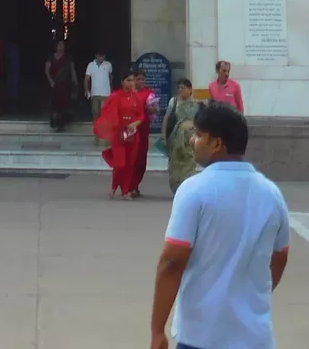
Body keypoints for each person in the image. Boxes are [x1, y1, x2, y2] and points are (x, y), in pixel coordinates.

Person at [151, 100, 289, 349]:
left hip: (201, 337)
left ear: (216, 144)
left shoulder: (194, 190)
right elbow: (280, 257)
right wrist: (252, 296)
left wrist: (157, 330)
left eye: (199, 135)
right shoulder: (272, 193)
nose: (193, 140)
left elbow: (171, 263)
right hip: (255, 338)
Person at [94, 69, 149, 198]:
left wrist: (135, 124)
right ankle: (114, 186)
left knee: (130, 163)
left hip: (132, 134)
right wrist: (116, 125)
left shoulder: (137, 97)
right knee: (120, 164)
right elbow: (106, 111)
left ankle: (125, 191)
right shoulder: (115, 96)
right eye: (128, 80)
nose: (131, 83)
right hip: (119, 134)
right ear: (122, 82)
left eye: (132, 80)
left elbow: (141, 115)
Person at [164, 78, 201, 193]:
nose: (180, 90)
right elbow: (166, 120)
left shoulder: (198, 104)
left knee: (189, 164)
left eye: (183, 87)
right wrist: (164, 137)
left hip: (191, 139)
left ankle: (187, 189)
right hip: (176, 138)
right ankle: (176, 189)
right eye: (179, 88)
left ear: (190, 89)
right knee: (175, 164)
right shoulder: (174, 102)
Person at [46, 39, 77, 132]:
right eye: (59, 45)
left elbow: (72, 71)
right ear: (56, 46)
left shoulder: (68, 58)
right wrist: (51, 81)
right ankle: (55, 123)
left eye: (62, 45)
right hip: (55, 85)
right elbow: (47, 71)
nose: (60, 47)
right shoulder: (51, 58)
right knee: (55, 105)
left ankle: (62, 124)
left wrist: (75, 83)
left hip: (65, 85)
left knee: (65, 105)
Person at [84, 49, 113, 122]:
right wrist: (86, 90)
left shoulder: (108, 64)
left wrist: (111, 90)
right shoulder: (91, 65)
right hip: (94, 93)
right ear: (96, 55)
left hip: (106, 93)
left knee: (104, 113)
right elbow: (86, 79)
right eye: (100, 56)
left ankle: (103, 130)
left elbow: (110, 78)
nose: (101, 58)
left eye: (103, 56)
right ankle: (97, 129)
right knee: (95, 113)